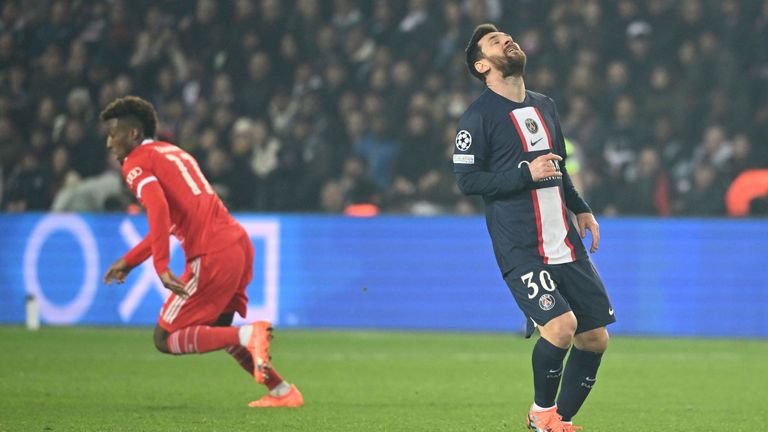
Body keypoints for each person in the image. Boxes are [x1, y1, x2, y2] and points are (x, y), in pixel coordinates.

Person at [454, 25, 615, 432]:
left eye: (507, 37)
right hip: (521, 244)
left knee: (595, 339)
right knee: (561, 328)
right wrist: (524, 173)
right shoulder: (477, 118)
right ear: (482, 65)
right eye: (495, 42)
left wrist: (580, 208)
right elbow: (467, 181)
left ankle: (560, 420)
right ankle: (541, 415)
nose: (507, 41)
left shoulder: (545, 105)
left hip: (563, 237)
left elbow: (557, 166)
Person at [100, 96, 303, 408]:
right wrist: (130, 261)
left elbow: (158, 207)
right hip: (238, 245)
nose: (108, 142)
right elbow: (170, 220)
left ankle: (249, 336)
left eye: (113, 134)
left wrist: (161, 263)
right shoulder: (173, 152)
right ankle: (282, 392)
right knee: (217, 330)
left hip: (211, 254)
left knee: (165, 338)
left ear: (132, 135)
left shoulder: (135, 162)